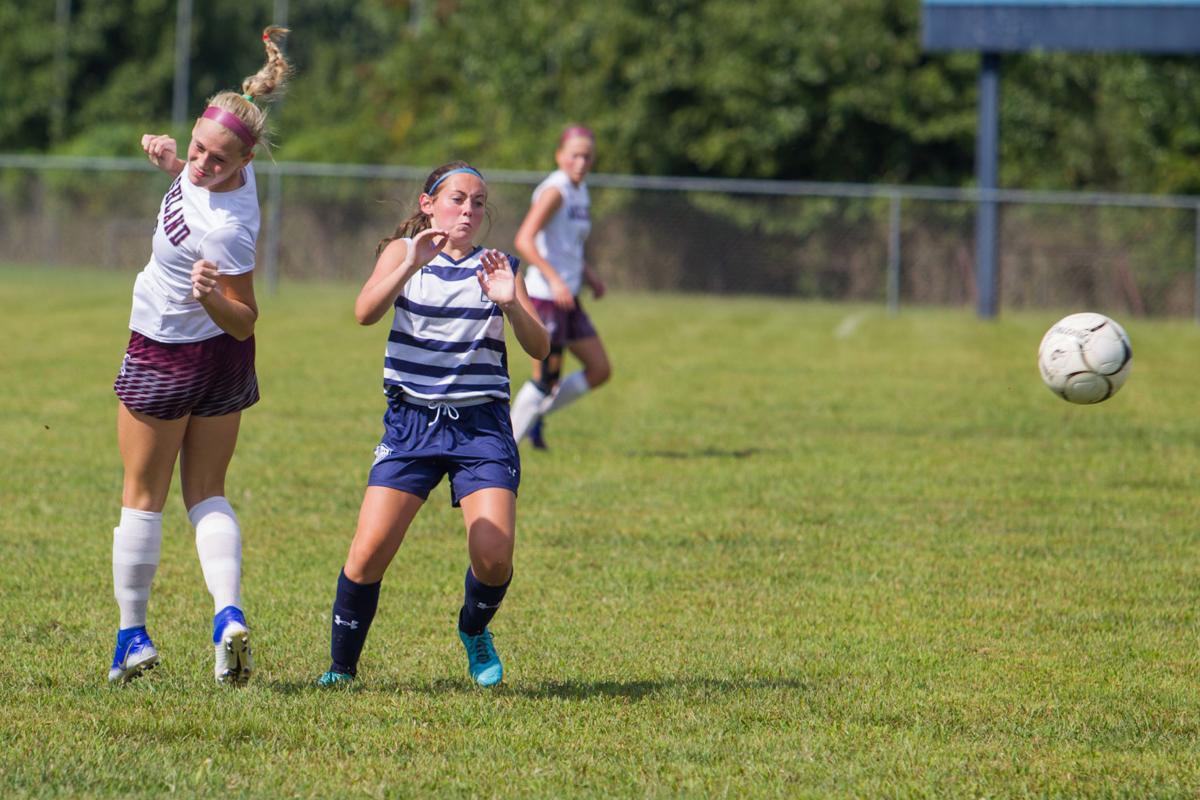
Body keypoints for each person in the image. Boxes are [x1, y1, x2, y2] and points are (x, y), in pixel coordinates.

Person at [316, 162, 550, 688]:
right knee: (368, 552)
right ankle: (341, 670)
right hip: (412, 425)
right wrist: (408, 264)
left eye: (479, 202)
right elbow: (364, 312)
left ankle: (473, 628)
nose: (468, 210)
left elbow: (540, 347)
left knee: (493, 557)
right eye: (457, 199)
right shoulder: (402, 254)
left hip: (481, 428)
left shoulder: (500, 265)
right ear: (428, 204)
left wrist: (511, 304)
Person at [106, 27, 291, 685]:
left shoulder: (230, 227)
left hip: (171, 350)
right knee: (207, 493)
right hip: (217, 369)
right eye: (196, 147)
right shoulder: (205, 174)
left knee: (142, 497)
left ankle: (132, 640)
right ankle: (228, 617)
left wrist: (212, 297)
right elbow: (191, 184)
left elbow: (243, 322)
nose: (200, 161)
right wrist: (169, 162)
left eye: (216, 158)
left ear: (243, 164)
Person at [509, 125, 611, 450]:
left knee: (599, 369)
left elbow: (566, 246)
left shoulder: (580, 190)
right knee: (543, 382)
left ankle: (536, 418)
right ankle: (505, 445)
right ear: (560, 156)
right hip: (545, 297)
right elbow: (524, 240)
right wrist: (554, 279)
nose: (581, 162)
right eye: (574, 156)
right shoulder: (556, 190)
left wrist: (589, 275)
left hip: (568, 296)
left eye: (587, 156)